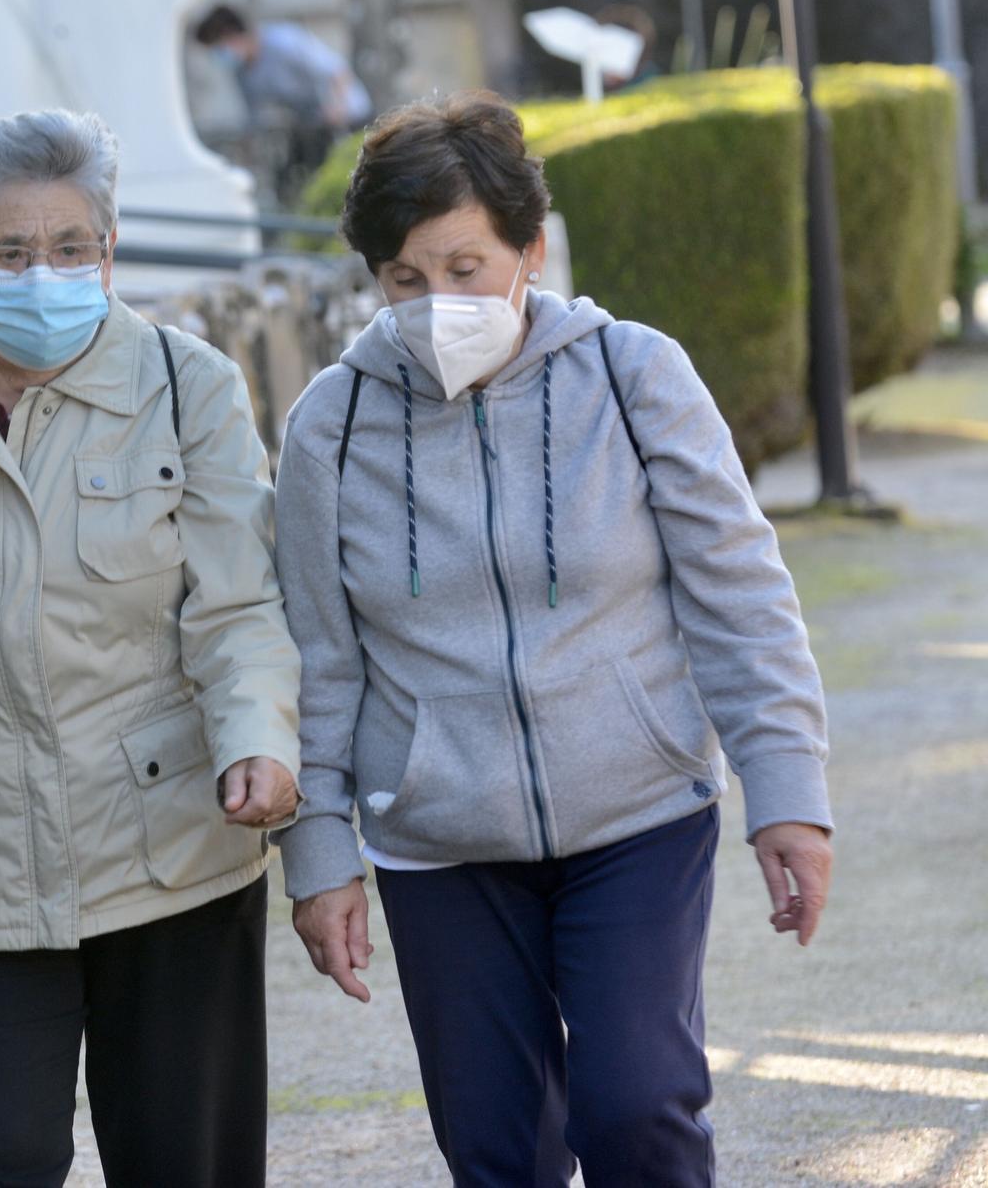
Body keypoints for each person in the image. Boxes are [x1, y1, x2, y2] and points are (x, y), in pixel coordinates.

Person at [272, 91, 836, 1186]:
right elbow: (319, 658)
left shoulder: (631, 376)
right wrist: (320, 854)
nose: (438, 302)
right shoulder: (327, 429)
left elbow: (738, 595)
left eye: (464, 266)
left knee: (636, 1111)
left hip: (635, 814)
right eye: (404, 279)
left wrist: (787, 792)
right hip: (436, 843)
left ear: (528, 249)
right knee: (494, 1151)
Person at [0, 108, 303, 1187]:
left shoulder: (184, 384)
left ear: (108, 250)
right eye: (9, 252)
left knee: (182, 1163)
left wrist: (258, 741)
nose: (39, 274)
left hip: (165, 846)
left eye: (69, 249)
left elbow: (235, 601)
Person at [195, 2, 371, 199]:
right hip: (311, 124)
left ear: (231, 36)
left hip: (347, 116)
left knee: (350, 180)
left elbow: (337, 72)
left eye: (218, 47)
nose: (218, 56)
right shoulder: (243, 72)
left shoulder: (283, 42)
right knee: (290, 183)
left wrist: (337, 108)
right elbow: (254, 117)